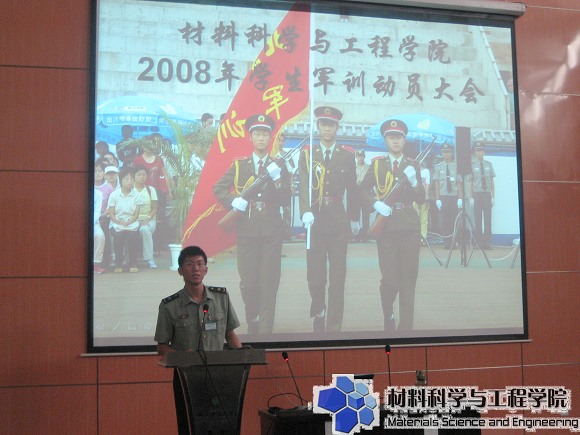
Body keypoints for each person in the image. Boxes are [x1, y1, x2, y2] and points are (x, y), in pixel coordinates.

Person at [213, 114, 291, 335]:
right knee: (248, 283)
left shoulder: (279, 165)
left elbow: (286, 199)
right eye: (257, 134)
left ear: (270, 137)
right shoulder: (239, 165)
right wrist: (233, 201)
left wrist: (277, 179)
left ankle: (265, 332)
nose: (261, 138)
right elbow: (218, 188)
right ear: (250, 137)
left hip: (271, 231)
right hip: (246, 230)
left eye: (265, 134)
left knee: (269, 282)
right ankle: (253, 319)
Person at [154, 245, 242, 435]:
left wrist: (242, 357)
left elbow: (230, 334)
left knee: (221, 425)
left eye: (200, 264)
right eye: (189, 264)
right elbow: (162, 347)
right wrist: (181, 356)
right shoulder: (169, 306)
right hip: (187, 378)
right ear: (180, 271)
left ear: (206, 270)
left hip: (221, 375)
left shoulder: (221, 297)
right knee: (190, 426)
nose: (196, 269)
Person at [298, 106, 359, 333]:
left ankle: (334, 326)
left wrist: (354, 218)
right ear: (317, 126)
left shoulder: (347, 155)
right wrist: (305, 211)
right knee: (315, 276)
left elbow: (352, 189)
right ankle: (319, 309)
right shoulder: (307, 154)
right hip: (314, 222)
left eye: (331, 125)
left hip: (337, 222)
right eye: (323, 124)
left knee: (338, 276)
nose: (327, 129)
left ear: (337, 128)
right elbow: (303, 184)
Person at [360, 119, 424, 331]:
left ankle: (406, 329)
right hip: (386, 229)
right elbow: (361, 190)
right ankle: (388, 314)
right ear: (385, 140)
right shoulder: (377, 164)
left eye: (399, 137)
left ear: (404, 140)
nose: (395, 141)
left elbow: (421, 199)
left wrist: (414, 182)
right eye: (391, 137)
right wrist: (375, 203)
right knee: (390, 281)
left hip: (409, 228)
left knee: (408, 280)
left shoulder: (413, 165)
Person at [107, 166, 142, 273]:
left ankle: (133, 263)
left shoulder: (137, 195)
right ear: (121, 180)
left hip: (131, 222)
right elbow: (111, 213)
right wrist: (119, 222)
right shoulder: (114, 195)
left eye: (131, 179)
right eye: (127, 179)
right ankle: (118, 264)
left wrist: (129, 222)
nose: (130, 181)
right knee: (118, 237)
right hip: (117, 222)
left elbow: (136, 214)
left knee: (133, 236)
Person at [433, 143, 463, 249]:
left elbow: (459, 183)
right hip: (443, 196)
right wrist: (437, 199)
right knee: (444, 220)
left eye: (448, 152)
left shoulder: (456, 166)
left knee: (454, 220)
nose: (446, 154)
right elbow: (436, 183)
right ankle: (446, 242)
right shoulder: (438, 167)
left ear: (451, 153)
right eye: (444, 152)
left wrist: (460, 198)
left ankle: (454, 241)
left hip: (454, 196)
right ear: (442, 153)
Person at [469, 142, 495, 249]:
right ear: (475, 152)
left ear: (484, 152)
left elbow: (492, 181)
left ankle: (487, 242)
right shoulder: (472, 166)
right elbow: (471, 182)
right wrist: (471, 197)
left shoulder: (489, 165)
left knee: (488, 219)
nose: (479, 153)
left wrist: (493, 196)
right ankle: (479, 242)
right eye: (477, 151)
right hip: (477, 195)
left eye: (480, 151)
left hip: (487, 195)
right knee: (478, 219)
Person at [133, 165, 158, 269]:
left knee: (144, 229)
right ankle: (126, 258)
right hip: (132, 219)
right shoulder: (130, 189)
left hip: (148, 219)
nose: (141, 177)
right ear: (134, 176)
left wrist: (148, 218)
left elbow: (155, 208)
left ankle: (149, 259)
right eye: (139, 174)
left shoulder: (150, 190)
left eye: (143, 174)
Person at [354, 149, 371, 242]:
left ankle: (365, 235)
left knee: (366, 214)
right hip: (355, 193)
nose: (360, 158)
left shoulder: (368, 167)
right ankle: (356, 235)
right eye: (358, 156)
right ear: (356, 157)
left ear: (364, 157)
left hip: (365, 192)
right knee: (356, 214)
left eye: (362, 156)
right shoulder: (353, 167)